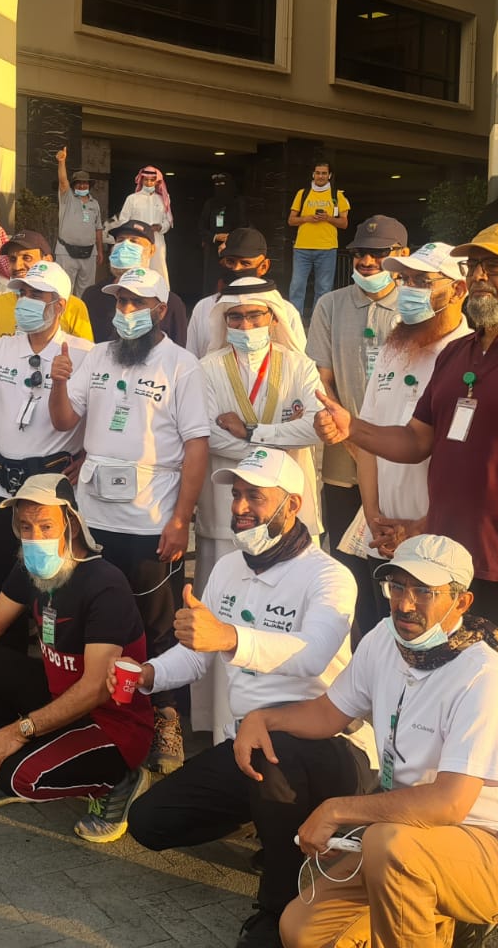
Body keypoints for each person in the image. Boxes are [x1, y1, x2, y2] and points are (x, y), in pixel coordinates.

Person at [312, 221, 498, 934]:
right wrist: (350, 429)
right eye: (473, 264)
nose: (478, 276)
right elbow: (416, 440)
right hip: (448, 579)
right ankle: (456, 858)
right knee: (456, 719)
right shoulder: (457, 356)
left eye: (494, 266)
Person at [237, 536, 498, 948]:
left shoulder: (482, 673)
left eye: (424, 591)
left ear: (461, 602)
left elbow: (449, 804)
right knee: (301, 932)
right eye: (397, 586)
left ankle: (451, 910)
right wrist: (263, 718)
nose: (404, 604)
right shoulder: (384, 639)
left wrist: (337, 810)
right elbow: (329, 713)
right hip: (407, 840)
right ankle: (444, 919)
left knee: (388, 843)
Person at [126, 449, 370, 939]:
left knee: (272, 758)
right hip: (250, 743)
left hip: (330, 747)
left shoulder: (329, 575)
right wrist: (146, 674)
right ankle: (271, 821)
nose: (239, 507)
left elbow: (313, 653)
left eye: (255, 496)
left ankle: (279, 906)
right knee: (148, 822)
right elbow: (197, 656)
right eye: (236, 494)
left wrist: (230, 637)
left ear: (293, 504)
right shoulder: (228, 568)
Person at [0, 473, 152, 843]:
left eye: (46, 526)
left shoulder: (104, 583)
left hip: (111, 724)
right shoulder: (29, 568)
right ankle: (7, 759)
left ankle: (120, 780)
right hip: (59, 698)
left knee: (20, 778)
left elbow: (96, 688)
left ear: (72, 525)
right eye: (26, 527)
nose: (34, 537)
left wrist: (19, 731)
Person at [51, 266, 211, 774]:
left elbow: (197, 447)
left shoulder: (183, 366)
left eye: (136, 303)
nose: (125, 312)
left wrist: (181, 519)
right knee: (92, 615)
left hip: (150, 516)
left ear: (160, 309)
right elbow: (65, 420)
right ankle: (92, 710)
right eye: (120, 302)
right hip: (93, 515)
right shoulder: (98, 355)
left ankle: (165, 717)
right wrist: (58, 383)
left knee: (156, 623)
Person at [195, 276, 326, 739]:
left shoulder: (300, 365)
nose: (246, 324)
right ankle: (220, 729)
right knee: (225, 615)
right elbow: (209, 435)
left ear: (273, 317)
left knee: (289, 614)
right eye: (235, 316)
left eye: (255, 315)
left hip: (289, 509)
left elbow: (317, 427)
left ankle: (290, 726)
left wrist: (252, 433)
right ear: (224, 320)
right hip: (227, 510)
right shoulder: (207, 368)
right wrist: (277, 441)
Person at [333, 243, 471, 648]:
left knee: (431, 649)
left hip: (437, 539)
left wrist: (420, 526)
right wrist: (373, 514)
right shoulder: (394, 346)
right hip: (382, 537)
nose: (408, 289)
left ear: (459, 289)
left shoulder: (466, 357)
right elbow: (368, 437)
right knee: (378, 644)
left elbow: (464, 462)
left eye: (422, 281)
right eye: (405, 279)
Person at [0, 259, 92, 603]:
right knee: (4, 580)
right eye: (22, 293)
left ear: (60, 306)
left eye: (36, 295)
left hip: (54, 485)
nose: (25, 301)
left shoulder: (85, 353)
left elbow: (97, 417)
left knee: (54, 581)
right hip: (4, 485)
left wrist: (88, 459)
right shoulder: (0, 348)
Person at [307, 215, 410, 555]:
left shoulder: (415, 308)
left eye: (378, 253)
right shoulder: (330, 305)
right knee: (343, 552)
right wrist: (351, 435)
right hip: (342, 449)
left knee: (394, 552)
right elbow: (321, 377)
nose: (366, 261)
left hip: (399, 452)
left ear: (403, 255)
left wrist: (380, 443)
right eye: (359, 253)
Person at [186, 228, 305, 358]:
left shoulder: (286, 312)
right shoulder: (203, 308)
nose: (237, 268)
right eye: (230, 262)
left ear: (264, 267)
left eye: (245, 263)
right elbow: (192, 360)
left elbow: (298, 362)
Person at [81, 220, 189, 346]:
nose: (125, 246)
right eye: (120, 240)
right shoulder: (92, 295)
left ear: (152, 250)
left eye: (134, 241)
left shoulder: (169, 303)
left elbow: (177, 351)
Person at [0, 228, 93, 342]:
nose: (17, 266)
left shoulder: (73, 307)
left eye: (27, 258)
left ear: (47, 260)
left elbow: (85, 351)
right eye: (12, 259)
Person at [288, 162, 350, 320]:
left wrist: (328, 218)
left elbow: (344, 223)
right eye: (318, 173)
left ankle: (318, 321)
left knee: (324, 288)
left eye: (324, 173)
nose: (320, 176)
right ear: (313, 174)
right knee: (297, 286)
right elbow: (291, 220)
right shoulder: (303, 193)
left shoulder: (337, 195)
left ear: (329, 175)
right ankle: (294, 321)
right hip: (302, 248)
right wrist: (306, 218)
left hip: (327, 248)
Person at [54, 147, 104, 292]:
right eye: (79, 183)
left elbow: (98, 228)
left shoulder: (95, 204)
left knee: (86, 291)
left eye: (85, 183)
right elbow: (63, 182)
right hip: (66, 252)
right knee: (63, 289)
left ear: (89, 185)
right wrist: (61, 162)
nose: (82, 185)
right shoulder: (67, 198)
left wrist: (100, 251)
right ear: (74, 185)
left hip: (89, 253)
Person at [115, 165, 174, 287]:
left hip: (157, 242)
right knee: (136, 274)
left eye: (152, 180)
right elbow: (123, 221)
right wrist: (136, 229)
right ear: (141, 180)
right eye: (146, 180)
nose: (149, 183)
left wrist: (160, 227)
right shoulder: (132, 199)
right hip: (136, 242)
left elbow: (168, 221)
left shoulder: (163, 199)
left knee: (159, 272)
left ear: (157, 182)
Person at [198, 172, 250, 293]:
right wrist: (215, 237)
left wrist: (230, 238)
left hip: (232, 249)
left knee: (231, 278)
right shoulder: (210, 203)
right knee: (212, 280)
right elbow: (201, 227)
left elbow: (243, 224)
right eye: (217, 185)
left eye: (223, 184)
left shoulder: (238, 203)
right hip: (212, 249)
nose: (220, 188)